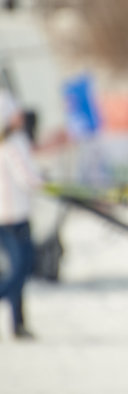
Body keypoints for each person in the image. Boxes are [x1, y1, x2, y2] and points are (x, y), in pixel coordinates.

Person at [0, 90, 43, 339]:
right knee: (20, 271)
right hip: (14, 217)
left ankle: (18, 325)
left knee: (18, 269)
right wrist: (44, 181)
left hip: (7, 216)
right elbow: (27, 179)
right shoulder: (15, 143)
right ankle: (18, 324)